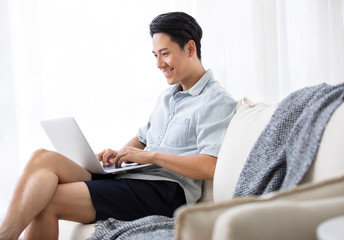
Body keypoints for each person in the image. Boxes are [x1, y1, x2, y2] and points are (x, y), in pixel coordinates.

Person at [0, 12, 237, 240]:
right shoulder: (167, 97)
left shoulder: (216, 100)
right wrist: (119, 154)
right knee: (41, 157)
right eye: (155, 55)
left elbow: (210, 166)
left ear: (190, 48)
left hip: (166, 192)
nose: (159, 64)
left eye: (164, 54)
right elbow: (142, 139)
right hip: (135, 177)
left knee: (47, 200)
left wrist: (151, 157)